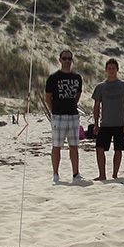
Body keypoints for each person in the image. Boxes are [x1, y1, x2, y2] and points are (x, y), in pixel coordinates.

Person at [45, 49, 84, 183]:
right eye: (64, 58)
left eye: (69, 58)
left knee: (74, 145)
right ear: (60, 60)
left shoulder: (77, 77)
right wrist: (54, 111)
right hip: (58, 115)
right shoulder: (53, 78)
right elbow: (48, 98)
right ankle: (55, 173)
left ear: (72, 60)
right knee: (57, 146)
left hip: (73, 115)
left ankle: (76, 173)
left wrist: (72, 106)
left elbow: (78, 95)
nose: (67, 61)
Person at [91, 58, 124, 180]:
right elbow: (96, 106)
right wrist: (96, 124)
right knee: (99, 149)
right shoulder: (101, 87)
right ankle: (102, 174)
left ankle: (115, 174)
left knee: (118, 149)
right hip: (105, 124)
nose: (111, 71)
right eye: (109, 68)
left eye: (113, 68)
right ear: (106, 70)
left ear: (117, 69)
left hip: (119, 123)